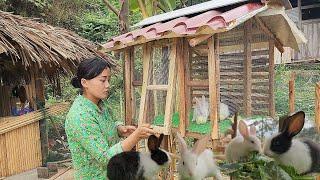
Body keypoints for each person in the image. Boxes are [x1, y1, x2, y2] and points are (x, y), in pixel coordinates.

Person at [65, 57, 155, 179]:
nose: (108, 85)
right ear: (84, 82)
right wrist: (135, 137)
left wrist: (118, 128)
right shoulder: (80, 116)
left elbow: (108, 123)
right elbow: (106, 158)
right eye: (103, 80)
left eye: (109, 80)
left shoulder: (101, 104)